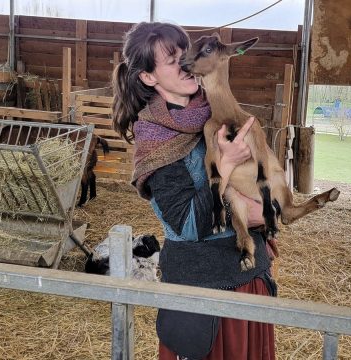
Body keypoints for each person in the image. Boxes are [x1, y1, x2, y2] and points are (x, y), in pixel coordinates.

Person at [112, 21, 276, 360]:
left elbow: (264, 191)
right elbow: (187, 224)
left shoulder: (217, 113)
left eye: (185, 54)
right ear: (148, 77)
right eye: (172, 60)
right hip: (202, 301)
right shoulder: (156, 140)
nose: (185, 63)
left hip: (250, 282)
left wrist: (270, 209)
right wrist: (226, 166)